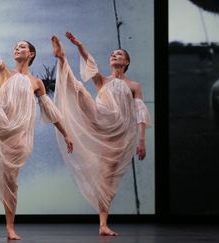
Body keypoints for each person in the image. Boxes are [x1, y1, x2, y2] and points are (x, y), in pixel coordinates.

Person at [0, 11, 73, 240]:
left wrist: (67, 134)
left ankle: (10, 227)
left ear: (30, 54)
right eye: (15, 47)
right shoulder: (5, 72)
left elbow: (50, 111)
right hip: (0, 119)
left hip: (19, 137)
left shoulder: (36, 82)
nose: (17, 49)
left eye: (22, 47)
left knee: (11, 182)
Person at [51, 32, 151, 236]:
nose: (114, 56)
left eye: (119, 54)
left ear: (127, 61)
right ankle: (62, 58)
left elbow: (140, 112)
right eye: (112, 54)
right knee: (79, 89)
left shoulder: (134, 86)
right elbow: (90, 65)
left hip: (119, 135)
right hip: (100, 118)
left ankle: (103, 224)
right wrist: (79, 45)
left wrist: (141, 140)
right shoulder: (102, 81)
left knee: (107, 179)